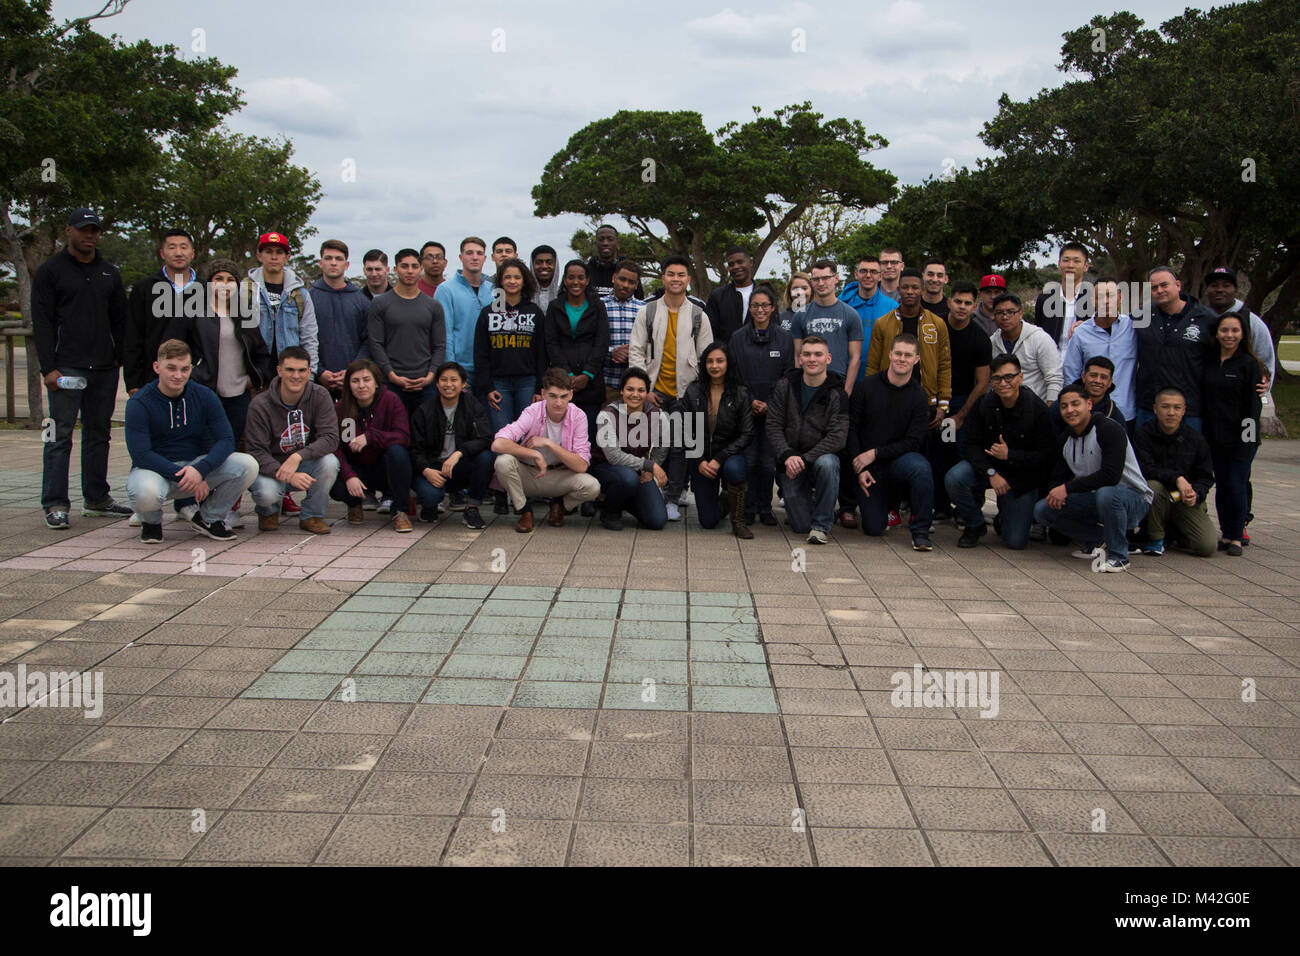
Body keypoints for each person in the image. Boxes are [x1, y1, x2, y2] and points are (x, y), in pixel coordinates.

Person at [32, 208, 132, 529]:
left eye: (94, 231)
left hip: (103, 367)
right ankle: (55, 502)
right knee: (58, 436)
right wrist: (48, 368)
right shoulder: (51, 271)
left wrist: (118, 356)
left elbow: (120, 319)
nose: (89, 236)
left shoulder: (109, 273)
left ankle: (97, 497)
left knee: (98, 434)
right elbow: (42, 323)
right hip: (66, 368)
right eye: (83, 230)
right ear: (69, 231)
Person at [163, 258, 273, 529]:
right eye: (218, 279)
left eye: (230, 280)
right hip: (203, 391)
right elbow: (176, 347)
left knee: (228, 449)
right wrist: (191, 375)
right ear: (209, 283)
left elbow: (260, 352)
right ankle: (185, 503)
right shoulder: (193, 310)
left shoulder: (243, 312)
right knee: (198, 447)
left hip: (236, 392)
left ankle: (217, 508)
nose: (224, 285)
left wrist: (254, 378)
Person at [124, 339, 258, 543]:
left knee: (247, 464)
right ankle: (150, 521)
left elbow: (226, 440)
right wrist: (185, 476)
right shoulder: (139, 403)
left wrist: (200, 470)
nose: (178, 376)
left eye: (184, 369)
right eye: (171, 368)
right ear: (156, 367)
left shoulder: (204, 396)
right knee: (146, 491)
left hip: (194, 465)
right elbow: (141, 454)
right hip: (155, 470)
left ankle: (209, 517)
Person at [864, 269, 952, 528]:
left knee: (924, 461)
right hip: (890, 403)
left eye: (915, 287)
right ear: (898, 289)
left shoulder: (937, 324)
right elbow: (872, 365)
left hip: (926, 404)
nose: (911, 292)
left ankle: (921, 512)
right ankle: (891, 508)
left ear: (922, 289)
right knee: (889, 455)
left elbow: (945, 365)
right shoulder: (884, 323)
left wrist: (943, 404)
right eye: (906, 287)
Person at [1033, 382, 1152, 572]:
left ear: (1089, 405)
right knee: (1043, 509)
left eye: (1075, 404)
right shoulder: (1066, 439)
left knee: (1107, 493)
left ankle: (1119, 556)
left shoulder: (1108, 429)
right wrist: (1056, 491)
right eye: (1064, 406)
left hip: (1133, 499)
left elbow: (1110, 476)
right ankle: (1097, 541)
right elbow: (1057, 477)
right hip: (1097, 498)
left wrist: (1067, 488)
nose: (1070, 410)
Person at [627, 255, 713, 521]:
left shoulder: (699, 315)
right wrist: (643, 389)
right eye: (670, 274)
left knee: (681, 446)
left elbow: (706, 356)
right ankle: (647, 492)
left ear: (688, 279)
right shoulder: (648, 311)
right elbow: (636, 351)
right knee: (649, 444)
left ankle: (673, 497)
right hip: (654, 391)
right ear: (662, 277)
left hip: (686, 393)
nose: (676, 279)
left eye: (681, 275)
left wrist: (697, 393)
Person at [945, 354, 1055, 550]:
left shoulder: (1037, 410)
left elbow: (1046, 456)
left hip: (1022, 478)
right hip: (990, 469)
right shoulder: (984, 403)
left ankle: (1005, 515)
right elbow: (970, 445)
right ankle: (974, 524)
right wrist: (991, 472)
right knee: (955, 477)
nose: (1003, 383)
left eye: (1009, 377)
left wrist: (1010, 455)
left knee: (1015, 542)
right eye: (997, 378)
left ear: (1020, 378)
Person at [848, 334, 934, 550]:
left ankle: (921, 532)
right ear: (890, 354)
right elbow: (851, 429)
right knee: (874, 528)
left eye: (908, 355)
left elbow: (914, 441)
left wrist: (875, 453)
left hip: (899, 461)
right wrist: (860, 467)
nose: (902, 359)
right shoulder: (866, 387)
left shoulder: (918, 396)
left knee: (921, 468)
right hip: (869, 467)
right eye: (898, 353)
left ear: (916, 359)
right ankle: (885, 508)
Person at [491, 367, 601, 533]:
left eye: (563, 397)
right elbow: (497, 444)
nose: (558, 403)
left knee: (592, 486)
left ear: (571, 395)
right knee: (503, 462)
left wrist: (549, 443)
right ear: (543, 394)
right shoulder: (532, 411)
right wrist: (533, 453)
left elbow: (581, 466)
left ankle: (559, 505)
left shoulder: (578, 416)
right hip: (530, 473)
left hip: (559, 476)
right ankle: (524, 510)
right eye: (553, 396)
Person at [244, 346, 341, 534]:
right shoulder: (260, 405)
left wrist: (298, 457)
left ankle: (312, 516)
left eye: (302, 370)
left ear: (309, 371)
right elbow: (256, 451)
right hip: (270, 467)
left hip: (302, 462)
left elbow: (330, 438)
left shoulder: (320, 395)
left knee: (330, 462)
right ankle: (268, 511)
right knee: (266, 494)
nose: (296, 376)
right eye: (290, 370)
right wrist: (286, 474)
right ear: (279, 370)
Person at [766, 336, 848, 544]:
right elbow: (773, 425)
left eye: (818, 354)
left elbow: (837, 437)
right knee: (801, 526)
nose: (812, 359)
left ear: (828, 358)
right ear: (799, 358)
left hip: (818, 459)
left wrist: (805, 458)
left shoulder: (838, 392)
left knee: (829, 464)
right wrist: (787, 455)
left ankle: (821, 525)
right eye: (807, 354)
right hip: (790, 462)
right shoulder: (784, 386)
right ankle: (823, 507)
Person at [729, 284, 793, 526]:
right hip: (745, 409)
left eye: (765, 305)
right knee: (748, 460)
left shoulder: (785, 340)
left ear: (773, 308)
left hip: (773, 411)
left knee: (767, 463)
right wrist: (750, 400)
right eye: (755, 305)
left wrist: (770, 403)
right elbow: (734, 376)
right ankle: (747, 508)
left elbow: (788, 376)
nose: (760, 309)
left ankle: (764, 508)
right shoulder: (737, 338)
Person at [1202, 312, 1263, 556]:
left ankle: (1237, 536)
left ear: (1242, 334)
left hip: (1241, 439)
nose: (1229, 335)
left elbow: (1253, 406)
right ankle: (1225, 533)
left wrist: (1246, 441)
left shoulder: (1248, 364)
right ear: (1217, 333)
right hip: (1215, 437)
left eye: (1235, 331)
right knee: (1223, 485)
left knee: (1236, 484)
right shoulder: (1209, 361)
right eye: (1225, 330)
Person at [329, 358, 412, 532]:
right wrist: (349, 475)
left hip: (383, 467)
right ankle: (354, 504)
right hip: (356, 468)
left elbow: (403, 436)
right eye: (355, 381)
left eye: (366, 380)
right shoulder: (341, 407)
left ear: (376, 382)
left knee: (398, 452)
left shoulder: (390, 400)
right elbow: (337, 446)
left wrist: (370, 437)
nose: (361, 385)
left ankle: (400, 511)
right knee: (333, 475)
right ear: (348, 385)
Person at [1132, 387, 1217, 557]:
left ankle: (1174, 533)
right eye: (1165, 407)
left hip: (1182, 499)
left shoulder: (1196, 439)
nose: (1171, 412)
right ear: (1155, 409)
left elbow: (1205, 477)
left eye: (1177, 408)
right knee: (1153, 486)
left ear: (1184, 410)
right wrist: (1177, 478)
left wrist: (1196, 493)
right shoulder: (1143, 435)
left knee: (1206, 546)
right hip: (1156, 498)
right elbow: (1145, 469)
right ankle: (1155, 540)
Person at [681, 343, 754, 538]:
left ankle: (738, 521)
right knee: (708, 522)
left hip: (729, 456)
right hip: (702, 458)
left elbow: (747, 434)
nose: (715, 366)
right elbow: (686, 432)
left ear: (728, 363)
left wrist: (720, 458)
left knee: (734, 469)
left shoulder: (740, 393)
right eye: (710, 361)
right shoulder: (693, 391)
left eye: (720, 361)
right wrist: (700, 461)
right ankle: (724, 498)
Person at [410, 362, 494, 530]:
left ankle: (471, 508)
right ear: (437, 383)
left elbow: (485, 438)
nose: (448, 384)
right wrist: (426, 470)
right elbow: (414, 448)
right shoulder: (424, 410)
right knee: (430, 496)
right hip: (433, 466)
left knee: (487, 457)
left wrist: (459, 453)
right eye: (444, 380)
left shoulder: (472, 405)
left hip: (458, 465)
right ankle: (428, 505)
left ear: (463, 384)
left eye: (454, 380)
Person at [1133, 266, 1217, 430]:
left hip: (1188, 409)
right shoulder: (1141, 315)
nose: (1159, 290)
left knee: (1187, 455)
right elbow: (1115, 326)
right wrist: (1083, 324)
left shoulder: (1206, 319)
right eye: (1154, 288)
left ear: (1178, 285)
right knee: (1145, 455)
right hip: (1149, 406)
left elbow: (1227, 351)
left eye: (1164, 285)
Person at [367, 247, 447, 418]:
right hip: (391, 383)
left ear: (420, 269)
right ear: (395, 269)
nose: (409, 271)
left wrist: (431, 375)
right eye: (404, 266)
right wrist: (391, 374)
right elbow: (375, 343)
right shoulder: (380, 304)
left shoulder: (433, 306)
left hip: (425, 384)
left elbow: (440, 345)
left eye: (414, 266)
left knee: (425, 437)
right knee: (395, 436)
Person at [125, 229, 205, 394]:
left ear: (192, 253)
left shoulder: (206, 290)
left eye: (183, 247)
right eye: (172, 247)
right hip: (152, 378)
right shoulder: (144, 289)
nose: (178, 253)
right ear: (162, 253)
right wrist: (133, 381)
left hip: (197, 380)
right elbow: (132, 337)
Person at [938, 280, 992, 521]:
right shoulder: (935, 327)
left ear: (974, 306)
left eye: (967, 303)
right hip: (936, 399)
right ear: (949, 302)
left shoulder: (979, 338)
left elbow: (982, 382)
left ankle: (967, 509)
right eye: (957, 301)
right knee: (938, 452)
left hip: (963, 402)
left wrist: (961, 416)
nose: (961, 307)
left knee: (962, 453)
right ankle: (939, 507)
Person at [590, 368, 668, 531]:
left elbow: (662, 444)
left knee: (657, 520)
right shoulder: (607, 415)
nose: (635, 394)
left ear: (647, 393)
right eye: (630, 389)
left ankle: (624, 499)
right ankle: (609, 511)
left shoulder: (657, 415)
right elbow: (614, 457)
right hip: (606, 467)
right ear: (621, 391)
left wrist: (652, 465)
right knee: (628, 479)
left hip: (637, 470)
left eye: (641, 390)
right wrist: (648, 465)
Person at [544, 259, 611, 448]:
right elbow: (552, 343)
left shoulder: (597, 306)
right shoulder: (555, 307)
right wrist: (569, 376)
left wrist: (587, 374)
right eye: (571, 277)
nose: (576, 282)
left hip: (591, 383)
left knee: (587, 437)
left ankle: (585, 475)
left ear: (587, 280)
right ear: (564, 280)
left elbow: (602, 342)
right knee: (561, 436)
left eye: (580, 277)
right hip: (562, 383)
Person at [474, 258, 546, 434]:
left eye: (517, 277)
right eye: (507, 277)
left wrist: (539, 387)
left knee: (528, 435)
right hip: (498, 384)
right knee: (502, 435)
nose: (512, 281)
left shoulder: (534, 312)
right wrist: (488, 387)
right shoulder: (488, 312)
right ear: (501, 281)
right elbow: (480, 353)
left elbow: (542, 353)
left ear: (524, 281)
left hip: (527, 382)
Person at [1061, 277, 1137, 425]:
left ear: (1120, 298)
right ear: (1092, 300)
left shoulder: (1134, 327)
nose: (1106, 301)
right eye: (1100, 297)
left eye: (1111, 295)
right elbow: (1071, 374)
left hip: (1126, 412)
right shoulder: (1080, 333)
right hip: (1090, 414)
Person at [248, 231, 319, 374]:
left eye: (279, 252)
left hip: (291, 375)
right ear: (259, 256)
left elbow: (309, 338)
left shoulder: (301, 295)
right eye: (268, 251)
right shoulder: (246, 291)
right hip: (256, 374)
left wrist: (310, 375)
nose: (274, 257)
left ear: (287, 257)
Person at [310, 240, 371, 397]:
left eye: (338, 259)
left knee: (350, 422)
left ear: (347, 264)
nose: (333, 263)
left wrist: (353, 371)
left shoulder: (361, 301)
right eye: (328, 258)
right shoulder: (308, 298)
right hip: (317, 383)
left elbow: (368, 340)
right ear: (320, 263)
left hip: (354, 384)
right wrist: (320, 372)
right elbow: (303, 339)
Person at [434, 237, 495, 390]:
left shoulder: (495, 288)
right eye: (469, 253)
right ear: (461, 257)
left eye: (479, 253)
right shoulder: (445, 290)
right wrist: (452, 371)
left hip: (490, 369)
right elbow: (445, 333)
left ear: (485, 258)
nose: (474, 257)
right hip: (461, 369)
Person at [793, 259, 863, 389]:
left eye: (825, 278)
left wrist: (846, 391)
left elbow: (855, 358)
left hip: (838, 383)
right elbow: (798, 356)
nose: (821, 283)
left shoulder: (851, 315)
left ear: (836, 278)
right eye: (816, 279)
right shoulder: (800, 315)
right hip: (809, 383)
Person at [989, 293, 1062, 403]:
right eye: (999, 313)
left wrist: (1049, 410)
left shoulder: (1040, 338)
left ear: (1020, 313)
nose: (1005, 317)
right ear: (993, 316)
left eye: (1010, 312)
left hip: (1036, 407)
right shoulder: (992, 342)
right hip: (1003, 407)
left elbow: (1054, 378)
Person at [838, 256, 898, 370]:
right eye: (863, 271)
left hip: (879, 376)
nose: (868, 275)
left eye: (873, 272)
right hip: (844, 375)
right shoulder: (841, 305)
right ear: (856, 274)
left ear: (880, 276)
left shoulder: (892, 307)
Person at [1034, 242, 1092, 352]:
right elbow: (1038, 333)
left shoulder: (1094, 300)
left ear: (1086, 266)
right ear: (1059, 264)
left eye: (1076, 261)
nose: (1070, 265)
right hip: (1051, 363)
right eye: (1066, 260)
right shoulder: (1045, 299)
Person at [601, 260, 645, 404]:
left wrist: (632, 353)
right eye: (622, 279)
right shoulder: (599, 305)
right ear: (614, 278)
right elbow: (589, 343)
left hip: (636, 387)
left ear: (636, 284)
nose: (625, 285)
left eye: (631, 282)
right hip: (606, 384)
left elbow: (651, 345)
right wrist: (611, 353)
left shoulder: (644, 309)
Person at [1051, 357, 1127, 434]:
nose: (1098, 381)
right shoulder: (1063, 406)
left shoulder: (1114, 415)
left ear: (1110, 382)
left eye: (1103, 377)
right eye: (1093, 375)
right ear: (1084, 377)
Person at [705, 247, 757, 344]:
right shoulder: (717, 296)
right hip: (727, 356)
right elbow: (710, 333)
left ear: (750, 263)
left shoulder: (765, 295)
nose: (736, 267)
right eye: (731, 264)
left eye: (740, 262)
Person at [587, 224, 644, 299]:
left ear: (617, 242)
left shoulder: (629, 272)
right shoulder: (586, 271)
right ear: (596, 243)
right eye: (601, 239)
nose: (605, 243)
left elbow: (639, 299)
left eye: (610, 239)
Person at [778, 272, 812, 337]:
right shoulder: (779, 318)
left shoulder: (819, 316)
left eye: (804, 288)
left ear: (812, 290)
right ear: (789, 291)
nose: (799, 292)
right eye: (795, 289)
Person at [531, 244, 562, 310]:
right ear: (532, 265)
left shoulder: (564, 295)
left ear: (556, 265)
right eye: (539, 262)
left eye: (549, 262)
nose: (544, 266)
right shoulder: (524, 295)